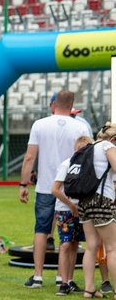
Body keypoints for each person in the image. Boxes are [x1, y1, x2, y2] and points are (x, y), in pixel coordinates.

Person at [19, 90, 92, 288]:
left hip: (45, 186)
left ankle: (37, 276)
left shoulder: (39, 124)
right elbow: (88, 158)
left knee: (41, 229)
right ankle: (63, 278)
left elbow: (29, 157)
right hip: (72, 188)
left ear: (53, 104)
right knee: (70, 235)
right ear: (72, 105)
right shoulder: (81, 126)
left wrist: (23, 184)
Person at [76, 123, 116, 298]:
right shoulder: (108, 146)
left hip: (84, 201)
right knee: (112, 248)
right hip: (102, 201)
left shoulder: (89, 147)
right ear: (113, 139)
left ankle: (89, 289)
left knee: (91, 246)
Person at [50, 136, 91, 295]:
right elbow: (55, 189)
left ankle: (70, 280)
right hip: (65, 210)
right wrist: (71, 205)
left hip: (81, 210)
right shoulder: (66, 164)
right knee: (65, 244)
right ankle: (63, 281)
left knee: (75, 244)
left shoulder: (89, 166)